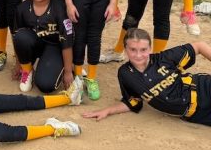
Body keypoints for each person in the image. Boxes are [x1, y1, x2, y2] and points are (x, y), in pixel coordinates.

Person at [83, 28, 211, 127]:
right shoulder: (126, 74)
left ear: (150, 49)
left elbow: (199, 46)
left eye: (143, 50)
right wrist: (107, 111)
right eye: (133, 49)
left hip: (203, 89)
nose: (138, 55)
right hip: (196, 114)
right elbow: (132, 102)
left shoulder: (164, 59)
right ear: (125, 49)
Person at [13, 0, 77, 95]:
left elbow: (67, 43)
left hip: (54, 47)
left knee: (46, 85)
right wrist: (19, 63)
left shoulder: (60, 9)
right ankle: (27, 71)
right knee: (20, 36)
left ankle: (55, 65)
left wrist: (68, 71)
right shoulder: (22, 9)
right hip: (34, 45)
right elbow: (17, 39)